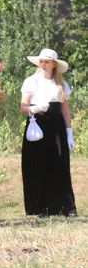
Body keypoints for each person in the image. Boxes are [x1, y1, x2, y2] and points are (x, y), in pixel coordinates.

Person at [20, 48, 76, 217]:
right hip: (37, 123)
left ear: (54, 65)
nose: (43, 64)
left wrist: (69, 133)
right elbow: (23, 106)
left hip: (57, 127)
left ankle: (64, 206)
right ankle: (38, 207)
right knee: (36, 164)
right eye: (41, 61)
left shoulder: (61, 85)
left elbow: (65, 111)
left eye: (47, 62)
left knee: (59, 163)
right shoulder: (31, 81)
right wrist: (35, 108)